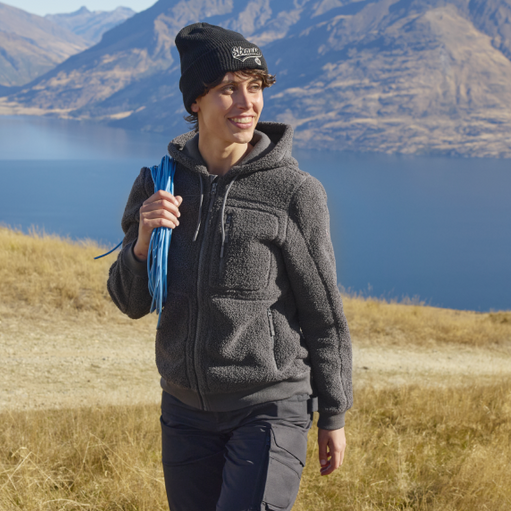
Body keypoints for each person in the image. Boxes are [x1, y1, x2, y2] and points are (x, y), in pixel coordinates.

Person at [105, 22, 353, 511]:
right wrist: (142, 241)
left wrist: (334, 414)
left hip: (269, 407)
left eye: (255, 87)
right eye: (228, 89)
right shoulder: (158, 184)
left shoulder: (295, 193)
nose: (247, 103)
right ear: (196, 101)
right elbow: (130, 303)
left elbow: (324, 316)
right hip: (183, 412)